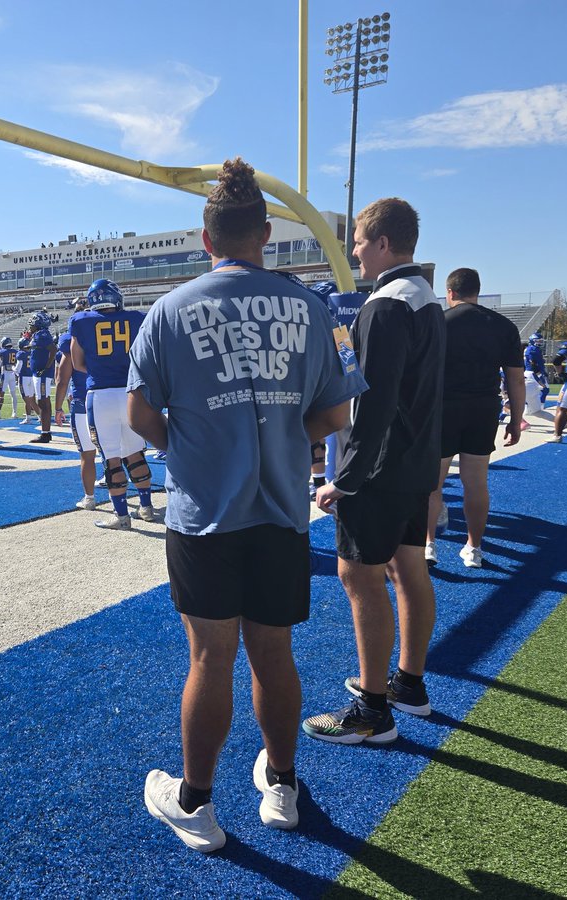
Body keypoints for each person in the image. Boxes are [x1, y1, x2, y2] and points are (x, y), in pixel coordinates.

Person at [128, 158, 365, 851]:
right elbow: (337, 409)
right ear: (267, 234)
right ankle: (283, 785)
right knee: (274, 654)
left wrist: (189, 444)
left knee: (209, 659)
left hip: (205, 511)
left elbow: (140, 415)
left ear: (206, 240)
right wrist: (288, 433)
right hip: (283, 511)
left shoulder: (171, 308)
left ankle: (197, 803)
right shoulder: (311, 307)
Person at [306, 197, 445, 745]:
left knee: (358, 574)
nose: (356, 252)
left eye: (361, 241)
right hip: (414, 462)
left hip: (383, 467)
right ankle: (407, 685)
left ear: (384, 243)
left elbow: (376, 402)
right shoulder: (424, 298)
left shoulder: (386, 305)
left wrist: (347, 476)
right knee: (407, 569)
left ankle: (371, 711)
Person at [424, 268, 524, 569]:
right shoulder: (503, 326)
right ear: (476, 291)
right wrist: (516, 418)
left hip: (443, 408)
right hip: (483, 409)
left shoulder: (438, 322)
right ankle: (473, 547)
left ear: (450, 292)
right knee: (476, 484)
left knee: (433, 484)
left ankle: (429, 544)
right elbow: (515, 380)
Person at [71, 279, 155, 529]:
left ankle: (121, 516)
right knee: (136, 455)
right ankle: (146, 507)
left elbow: (78, 363)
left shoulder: (81, 321)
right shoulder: (136, 318)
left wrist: (100, 371)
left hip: (101, 396)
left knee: (112, 459)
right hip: (131, 392)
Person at [54, 305, 99, 510]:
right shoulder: (114, 329)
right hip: (111, 395)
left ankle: (89, 498)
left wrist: (58, 407)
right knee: (120, 451)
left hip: (83, 400)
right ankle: (142, 502)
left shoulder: (69, 340)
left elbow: (63, 379)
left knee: (87, 454)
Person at [28, 311, 57, 443]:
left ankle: (45, 434)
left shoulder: (42, 334)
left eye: (33, 322)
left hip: (42, 374)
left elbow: (53, 350)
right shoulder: (38, 335)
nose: (30, 325)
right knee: (44, 401)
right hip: (39, 373)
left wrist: (46, 367)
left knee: (43, 403)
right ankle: (46, 432)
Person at [523, 331, 551, 421]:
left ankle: (532, 408)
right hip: (532, 374)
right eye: (537, 340)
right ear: (532, 340)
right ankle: (537, 407)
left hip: (533, 372)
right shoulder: (532, 349)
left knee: (533, 392)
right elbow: (533, 363)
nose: (539, 342)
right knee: (544, 389)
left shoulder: (534, 349)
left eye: (540, 341)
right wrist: (539, 374)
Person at [0, 337, 19, 419]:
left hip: (5, 374)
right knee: (13, 394)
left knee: (1, 394)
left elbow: (0, 362)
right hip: (13, 374)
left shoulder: (2, 352)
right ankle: (14, 413)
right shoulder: (15, 352)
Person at [15, 338, 39, 423]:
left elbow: (18, 367)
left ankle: (28, 418)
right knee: (32, 399)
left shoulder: (21, 354)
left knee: (27, 399)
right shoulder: (31, 353)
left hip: (24, 377)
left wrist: (14, 370)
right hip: (31, 377)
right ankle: (40, 416)